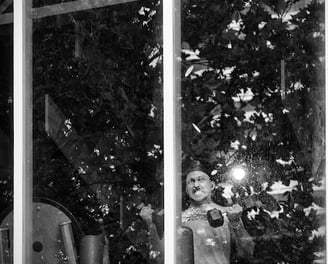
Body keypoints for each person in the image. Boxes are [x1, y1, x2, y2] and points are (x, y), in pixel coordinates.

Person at [182, 163, 254, 264]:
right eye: (191, 181)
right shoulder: (179, 219)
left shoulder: (229, 215)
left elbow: (247, 252)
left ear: (211, 185)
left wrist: (235, 224)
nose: (196, 185)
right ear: (186, 189)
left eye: (201, 179)